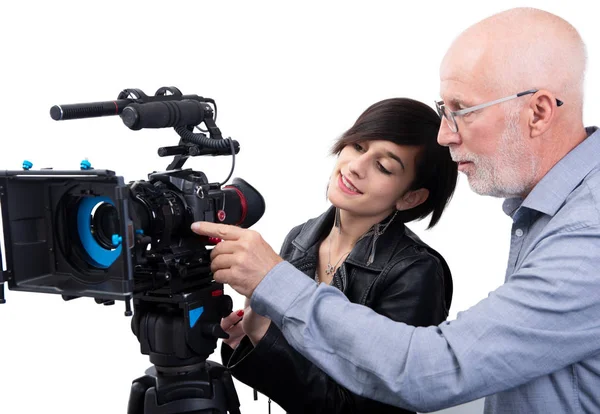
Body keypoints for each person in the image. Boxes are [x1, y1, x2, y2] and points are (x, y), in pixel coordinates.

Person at [193, 7, 600, 414]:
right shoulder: (547, 215)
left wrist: (275, 281)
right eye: (445, 109)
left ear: (539, 112)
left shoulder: (587, 233)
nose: (445, 133)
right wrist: (261, 339)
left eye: (462, 110)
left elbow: (433, 370)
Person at [217, 97, 458, 413]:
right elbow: (299, 375)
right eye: (358, 146)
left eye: (383, 166)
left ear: (410, 196)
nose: (355, 167)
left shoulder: (416, 273)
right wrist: (248, 338)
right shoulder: (300, 240)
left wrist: (264, 334)